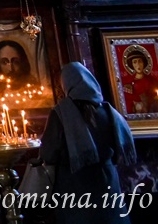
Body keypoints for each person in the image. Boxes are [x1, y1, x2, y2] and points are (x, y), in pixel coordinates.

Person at [39, 62, 136, 224]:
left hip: (74, 184)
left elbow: (48, 153)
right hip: (107, 180)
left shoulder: (61, 113)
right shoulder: (109, 111)